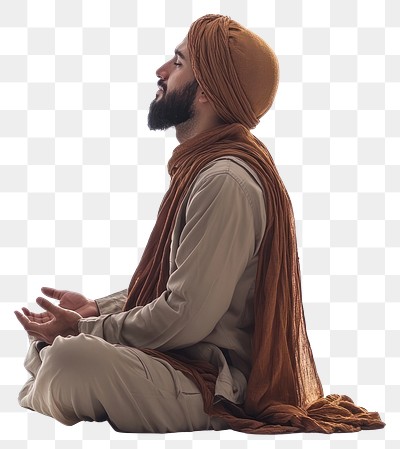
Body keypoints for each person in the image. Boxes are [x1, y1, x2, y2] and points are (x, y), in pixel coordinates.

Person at [15, 14, 385, 434]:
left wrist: (84, 328)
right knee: (57, 344)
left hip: (211, 382)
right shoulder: (204, 169)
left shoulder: (224, 180)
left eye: (177, 62)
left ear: (206, 90)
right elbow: (183, 286)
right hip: (179, 359)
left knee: (70, 359)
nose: (161, 72)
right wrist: (97, 309)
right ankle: (49, 372)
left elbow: (185, 316)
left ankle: (45, 377)